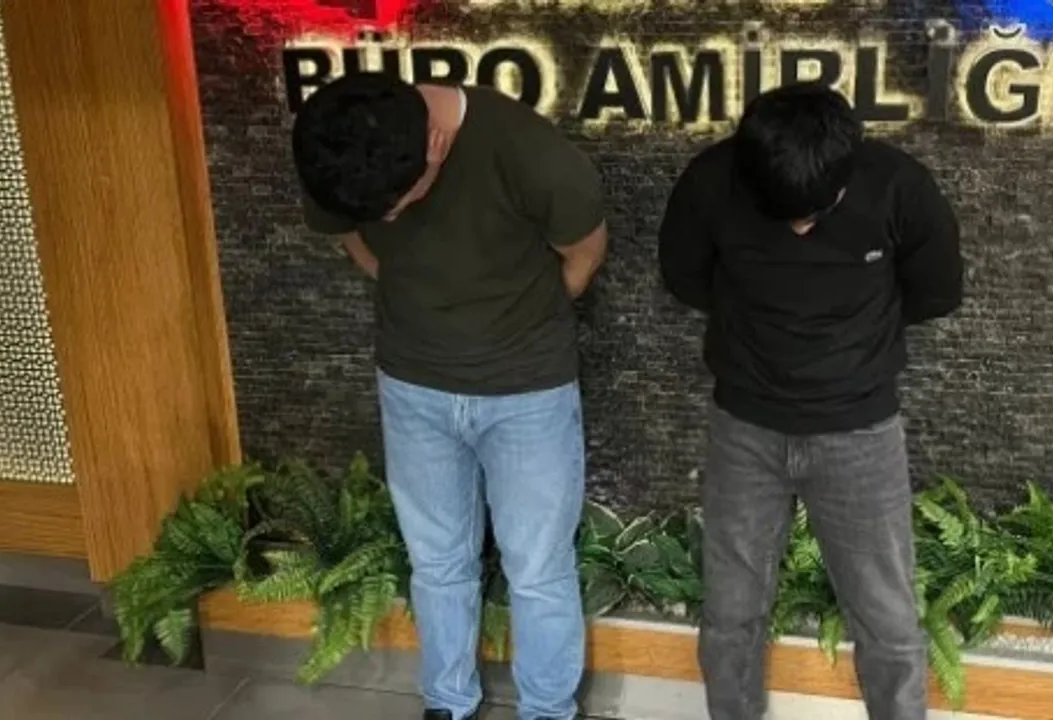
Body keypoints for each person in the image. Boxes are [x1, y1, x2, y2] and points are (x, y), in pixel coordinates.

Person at [292, 72, 608, 720]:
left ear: (434, 144)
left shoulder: (529, 153)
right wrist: (408, 287)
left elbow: (584, 249)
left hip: (527, 390)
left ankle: (549, 710)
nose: (388, 219)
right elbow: (351, 235)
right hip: (412, 385)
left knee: (537, 567)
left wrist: (522, 319)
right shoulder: (340, 147)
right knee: (435, 561)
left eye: (397, 204)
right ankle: (447, 702)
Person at [658, 82, 964, 720]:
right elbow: (685, 278)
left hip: (861, 432)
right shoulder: (711, 182)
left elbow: (936, 291)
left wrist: (854, 341)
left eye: (816, 213)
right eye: (784, 214)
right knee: (731, 612)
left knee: (887, 617)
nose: (800, 227)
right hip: (744, 426)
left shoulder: (900, 187)